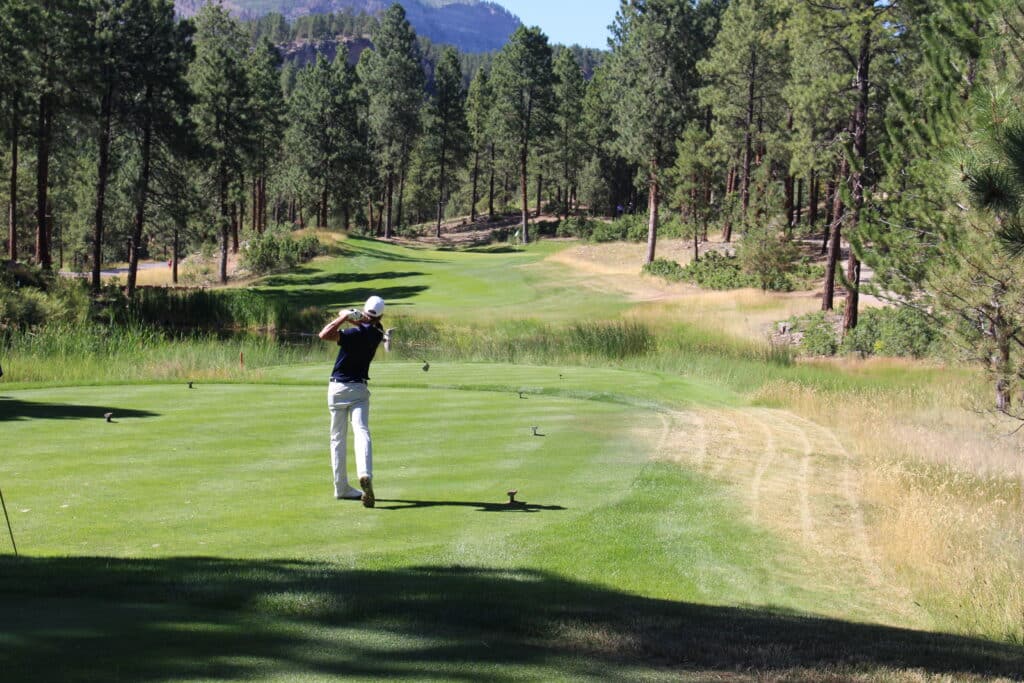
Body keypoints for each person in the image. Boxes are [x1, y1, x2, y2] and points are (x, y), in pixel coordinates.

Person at [318, 295, 387, 508]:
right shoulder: (377, 333)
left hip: (337, 388)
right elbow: (367, 323)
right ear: (381, 316)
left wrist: (344, 317)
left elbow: (323, 334)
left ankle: (341, 487)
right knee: (361, 430)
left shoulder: (351, 334)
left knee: (337, 439)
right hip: (358, 389)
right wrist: (350, 316)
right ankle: (365, 473)